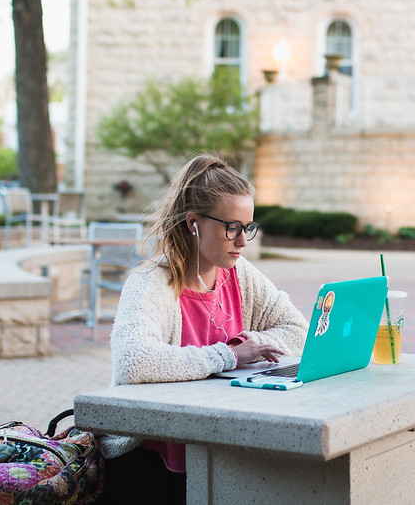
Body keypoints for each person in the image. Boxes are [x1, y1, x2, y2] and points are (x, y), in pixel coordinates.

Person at [96, 154, 309, 504]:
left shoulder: (240, 274)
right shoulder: (151, 282)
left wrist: (248, 344)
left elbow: (296, 331)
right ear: (193, 222)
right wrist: (227, 355)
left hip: (216, 447)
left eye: (248, 227)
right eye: (232, 227)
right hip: (151, 457)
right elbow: (132, 361)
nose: (242, 241)